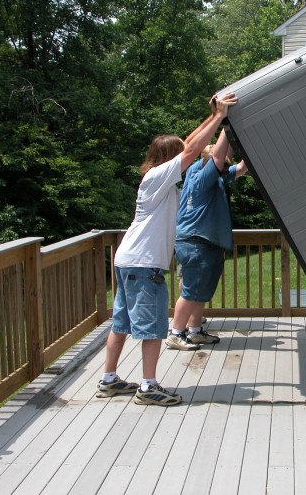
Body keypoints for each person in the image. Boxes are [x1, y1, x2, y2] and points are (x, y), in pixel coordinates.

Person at [96, 92, 237, 405]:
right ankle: (148, 387)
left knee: (121, 324)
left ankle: (108, 379)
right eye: (178, 156)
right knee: (152, 329)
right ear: (166, 159)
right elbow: (191, 150)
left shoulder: (157, 180)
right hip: (143, 265)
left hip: (130, 261)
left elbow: (188, 143)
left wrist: (216, 116)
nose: (185, 159)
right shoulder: (158, 177)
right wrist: (220, 119)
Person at [166, 129, 247, 350]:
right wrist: (226, 124)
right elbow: (219, 158)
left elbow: (240, 168)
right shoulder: (203, 177)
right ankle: (175, 333)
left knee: (199, 289)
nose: (224, 169)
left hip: (200, 241)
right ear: (211, 164)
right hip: (196, 241)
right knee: (192, 290)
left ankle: (194, 331)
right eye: (220, 166)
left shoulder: (207, 175)